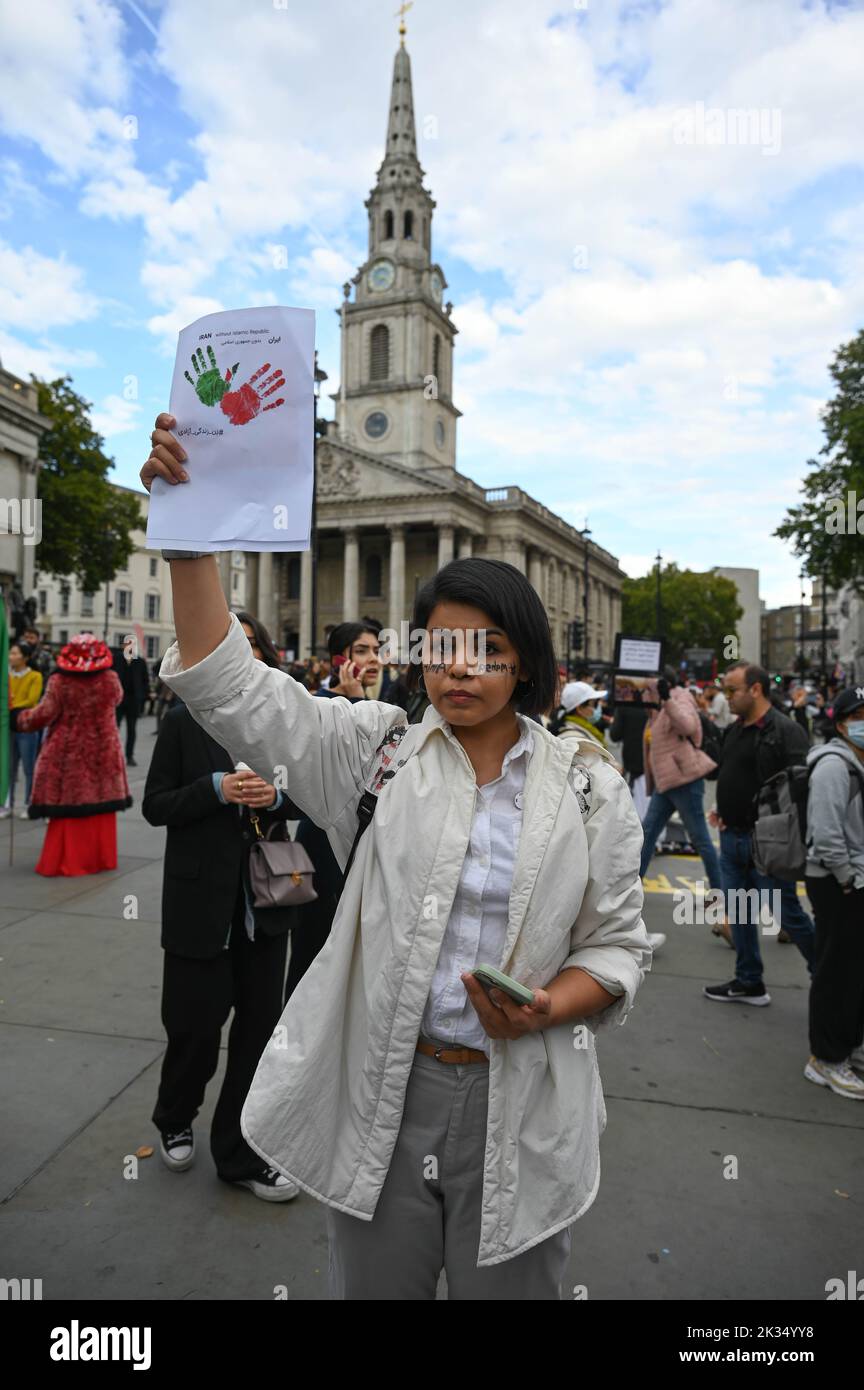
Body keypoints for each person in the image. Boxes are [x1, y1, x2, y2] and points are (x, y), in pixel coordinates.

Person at [143, 405, 650, 1302]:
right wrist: (189, 538)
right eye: (441, 646)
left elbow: (616, 945)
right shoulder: (374, 753)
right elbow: (232, 688)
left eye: (485, 649)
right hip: (387, 1093)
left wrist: (544, 1007)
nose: (458, 668)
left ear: (526, 661)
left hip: (523, 1099)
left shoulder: (589, 789)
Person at [143, 680, 300, 1198]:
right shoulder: (183, 722)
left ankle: (239, 1155)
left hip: (265, 906)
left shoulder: (279, 723)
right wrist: (215, 788)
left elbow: (306, 800)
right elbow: (157, 804)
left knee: (257, 1038)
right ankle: (175, 1117)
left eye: (254, 648)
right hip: (200, 909)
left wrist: (276, 795)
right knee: (193, 1031)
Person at [704, 661, 815, 1005]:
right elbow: (729, 772)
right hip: (733, 837)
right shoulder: (736, 729)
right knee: (738, 911)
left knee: (787, 914)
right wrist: (724, 809)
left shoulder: (786, 730)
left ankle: (829, 976)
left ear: (756, 689)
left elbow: (800, 787)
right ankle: (748, 980)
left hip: (770, 842)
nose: (727, 698)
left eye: (732, 690)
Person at [15, 633, 131, 875]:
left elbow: (44, 714)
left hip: (68, 753)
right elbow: (117, 699)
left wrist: (20, 720)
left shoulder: (60, 681)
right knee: (99, 803)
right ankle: (99, 859)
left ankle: (67, 860)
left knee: (68, 805)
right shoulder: (110, 679)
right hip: (103, 750)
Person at [803, 685, 864, 1098]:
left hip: (852, 880)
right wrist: (848, 878)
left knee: (854, 973)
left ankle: (845, 1046)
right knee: (836, 973)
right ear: (843, 723)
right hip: (836, 883)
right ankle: (825, 1060)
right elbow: (825, 834)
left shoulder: (857, 763)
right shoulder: (832, 766)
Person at [639, 670, 722, 891]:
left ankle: (721, 899)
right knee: (646, 835)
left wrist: (666, 700)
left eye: (649, 688)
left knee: (701, 840)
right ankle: (630, 891)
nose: (646, 693)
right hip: (666, 782)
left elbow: (688, 727)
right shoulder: (656, 706)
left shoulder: (680, 698)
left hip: (684, 779)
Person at [3, 641, 43, 819]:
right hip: (9, 727)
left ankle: (29, 803)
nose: (11, 656)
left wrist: (11, 705)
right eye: (10, 653)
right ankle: (7, 804)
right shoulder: (6, 676)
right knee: (9, 768)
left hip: (26, 727)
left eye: (15, 653)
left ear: (25, 657)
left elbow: (31, 700)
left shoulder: (35, 676)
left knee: (29, 768)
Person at [609, 701, 649, 822]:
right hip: (657, 765)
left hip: (634, 764)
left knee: (638, 811)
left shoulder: (625, 705)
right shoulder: (655, 703)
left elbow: (615, 735)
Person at [113, 645, 150, 766]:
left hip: (133, 700)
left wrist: (143, 696)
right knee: (114, 728)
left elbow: (145, 681)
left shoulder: (139, 662)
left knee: (132, 729)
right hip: (118, 699)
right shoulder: (116, 659)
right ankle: (113, 754)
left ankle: (129, 756)